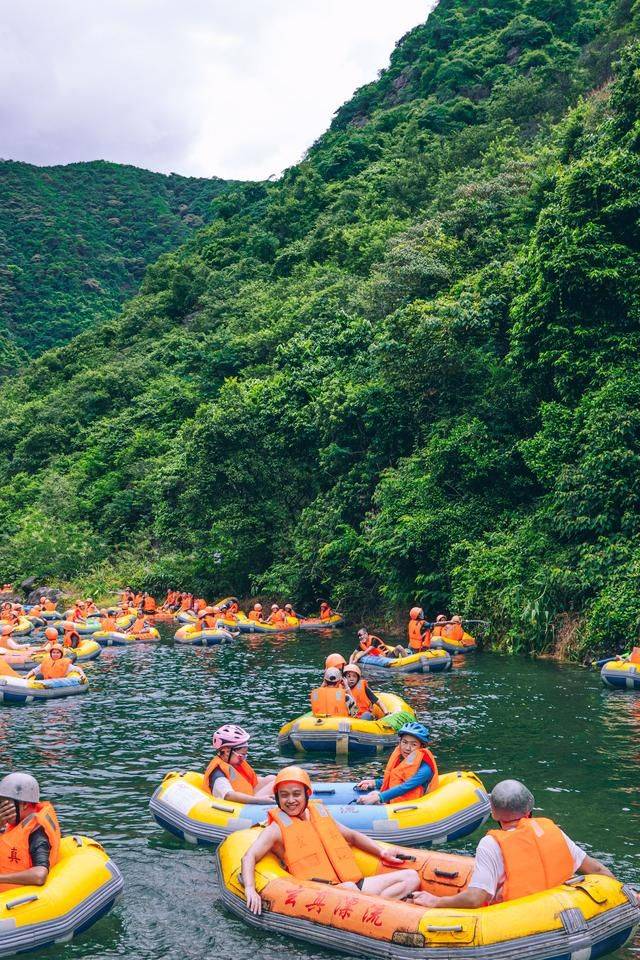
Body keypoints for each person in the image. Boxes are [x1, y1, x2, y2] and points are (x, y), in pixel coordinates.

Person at [241, 766, 420, 915]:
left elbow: (352, 836)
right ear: (278, 798)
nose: (291, 800)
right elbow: (249, 856)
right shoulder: (275, 830)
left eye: (296, 794)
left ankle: (378, 908)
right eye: (284, 795)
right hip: (322, 894)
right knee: (350, 887)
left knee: (410, 877)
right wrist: (250, 888)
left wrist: (382, 852)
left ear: (306, 794)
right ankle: (388, 907)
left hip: (352, 885)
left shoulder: (319, 814)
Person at [410, 779, 614, 907]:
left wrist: (436, 901)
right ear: (529, 808)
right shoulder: (552, 830)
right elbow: (596, 868)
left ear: (494, 812)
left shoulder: (490, 844)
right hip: (561, 909)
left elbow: (475, 898)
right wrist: (623, 896)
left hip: (519, 920)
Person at [0, 773, 61, 891]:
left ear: (24, 805)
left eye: (5, 804)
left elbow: (39, 875)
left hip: (13, 895)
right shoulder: (11, 824)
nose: (2, 808)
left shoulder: (37, 832)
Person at [356, 723, 438, 804]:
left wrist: (379, 797)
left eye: (414, 744)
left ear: (421, 747)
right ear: (400, 742)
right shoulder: (403, 760)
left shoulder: (426, 769)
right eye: (404, 742)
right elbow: (396, 780)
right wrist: (374, 783)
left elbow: (405, 787)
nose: (407, 748)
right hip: (399, 801)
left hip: (413, 806)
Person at [203, 725, 275, 803]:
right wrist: (259, 800)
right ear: (227, 752)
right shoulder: (218, 775)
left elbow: (243, 780)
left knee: (271, 778)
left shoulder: (232, 765)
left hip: (248, 795)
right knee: (273, 784)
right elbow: (228, 795)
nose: (243, 759)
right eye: (241, 755)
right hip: (245, 805)